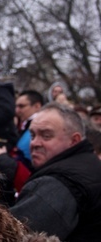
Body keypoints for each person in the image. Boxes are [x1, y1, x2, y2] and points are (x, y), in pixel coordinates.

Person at [9, 102, 101, 241]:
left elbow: (8, 235)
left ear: (74, 140)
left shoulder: (58, 184)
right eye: (33, 135)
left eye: (46, 136)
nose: (35, 143)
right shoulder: (87, 163)